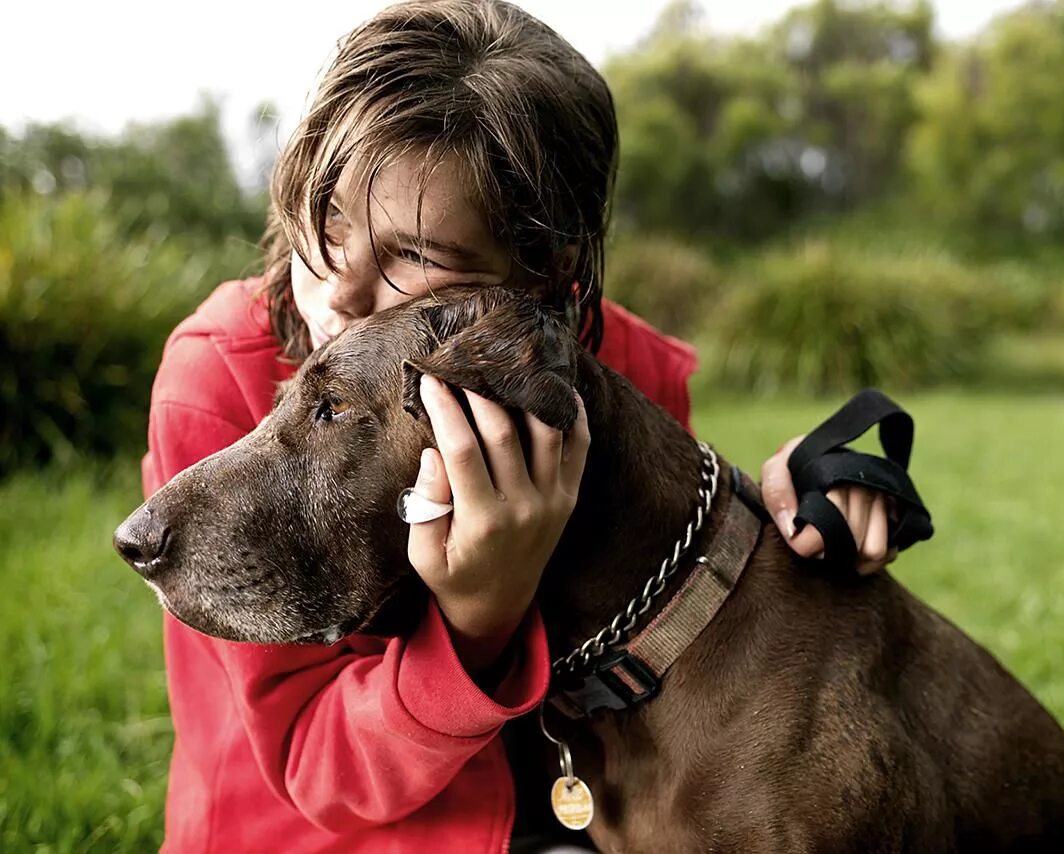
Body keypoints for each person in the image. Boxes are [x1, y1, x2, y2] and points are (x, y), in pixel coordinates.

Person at [141, 1, 900, 851]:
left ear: (547, 269)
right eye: (328, 224)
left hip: (561, 812)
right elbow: (319, 764)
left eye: (412, 256)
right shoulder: (219, 380)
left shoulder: (620, 381)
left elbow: (671, 625)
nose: (339, 292)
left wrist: (781, 514)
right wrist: (478, 617)